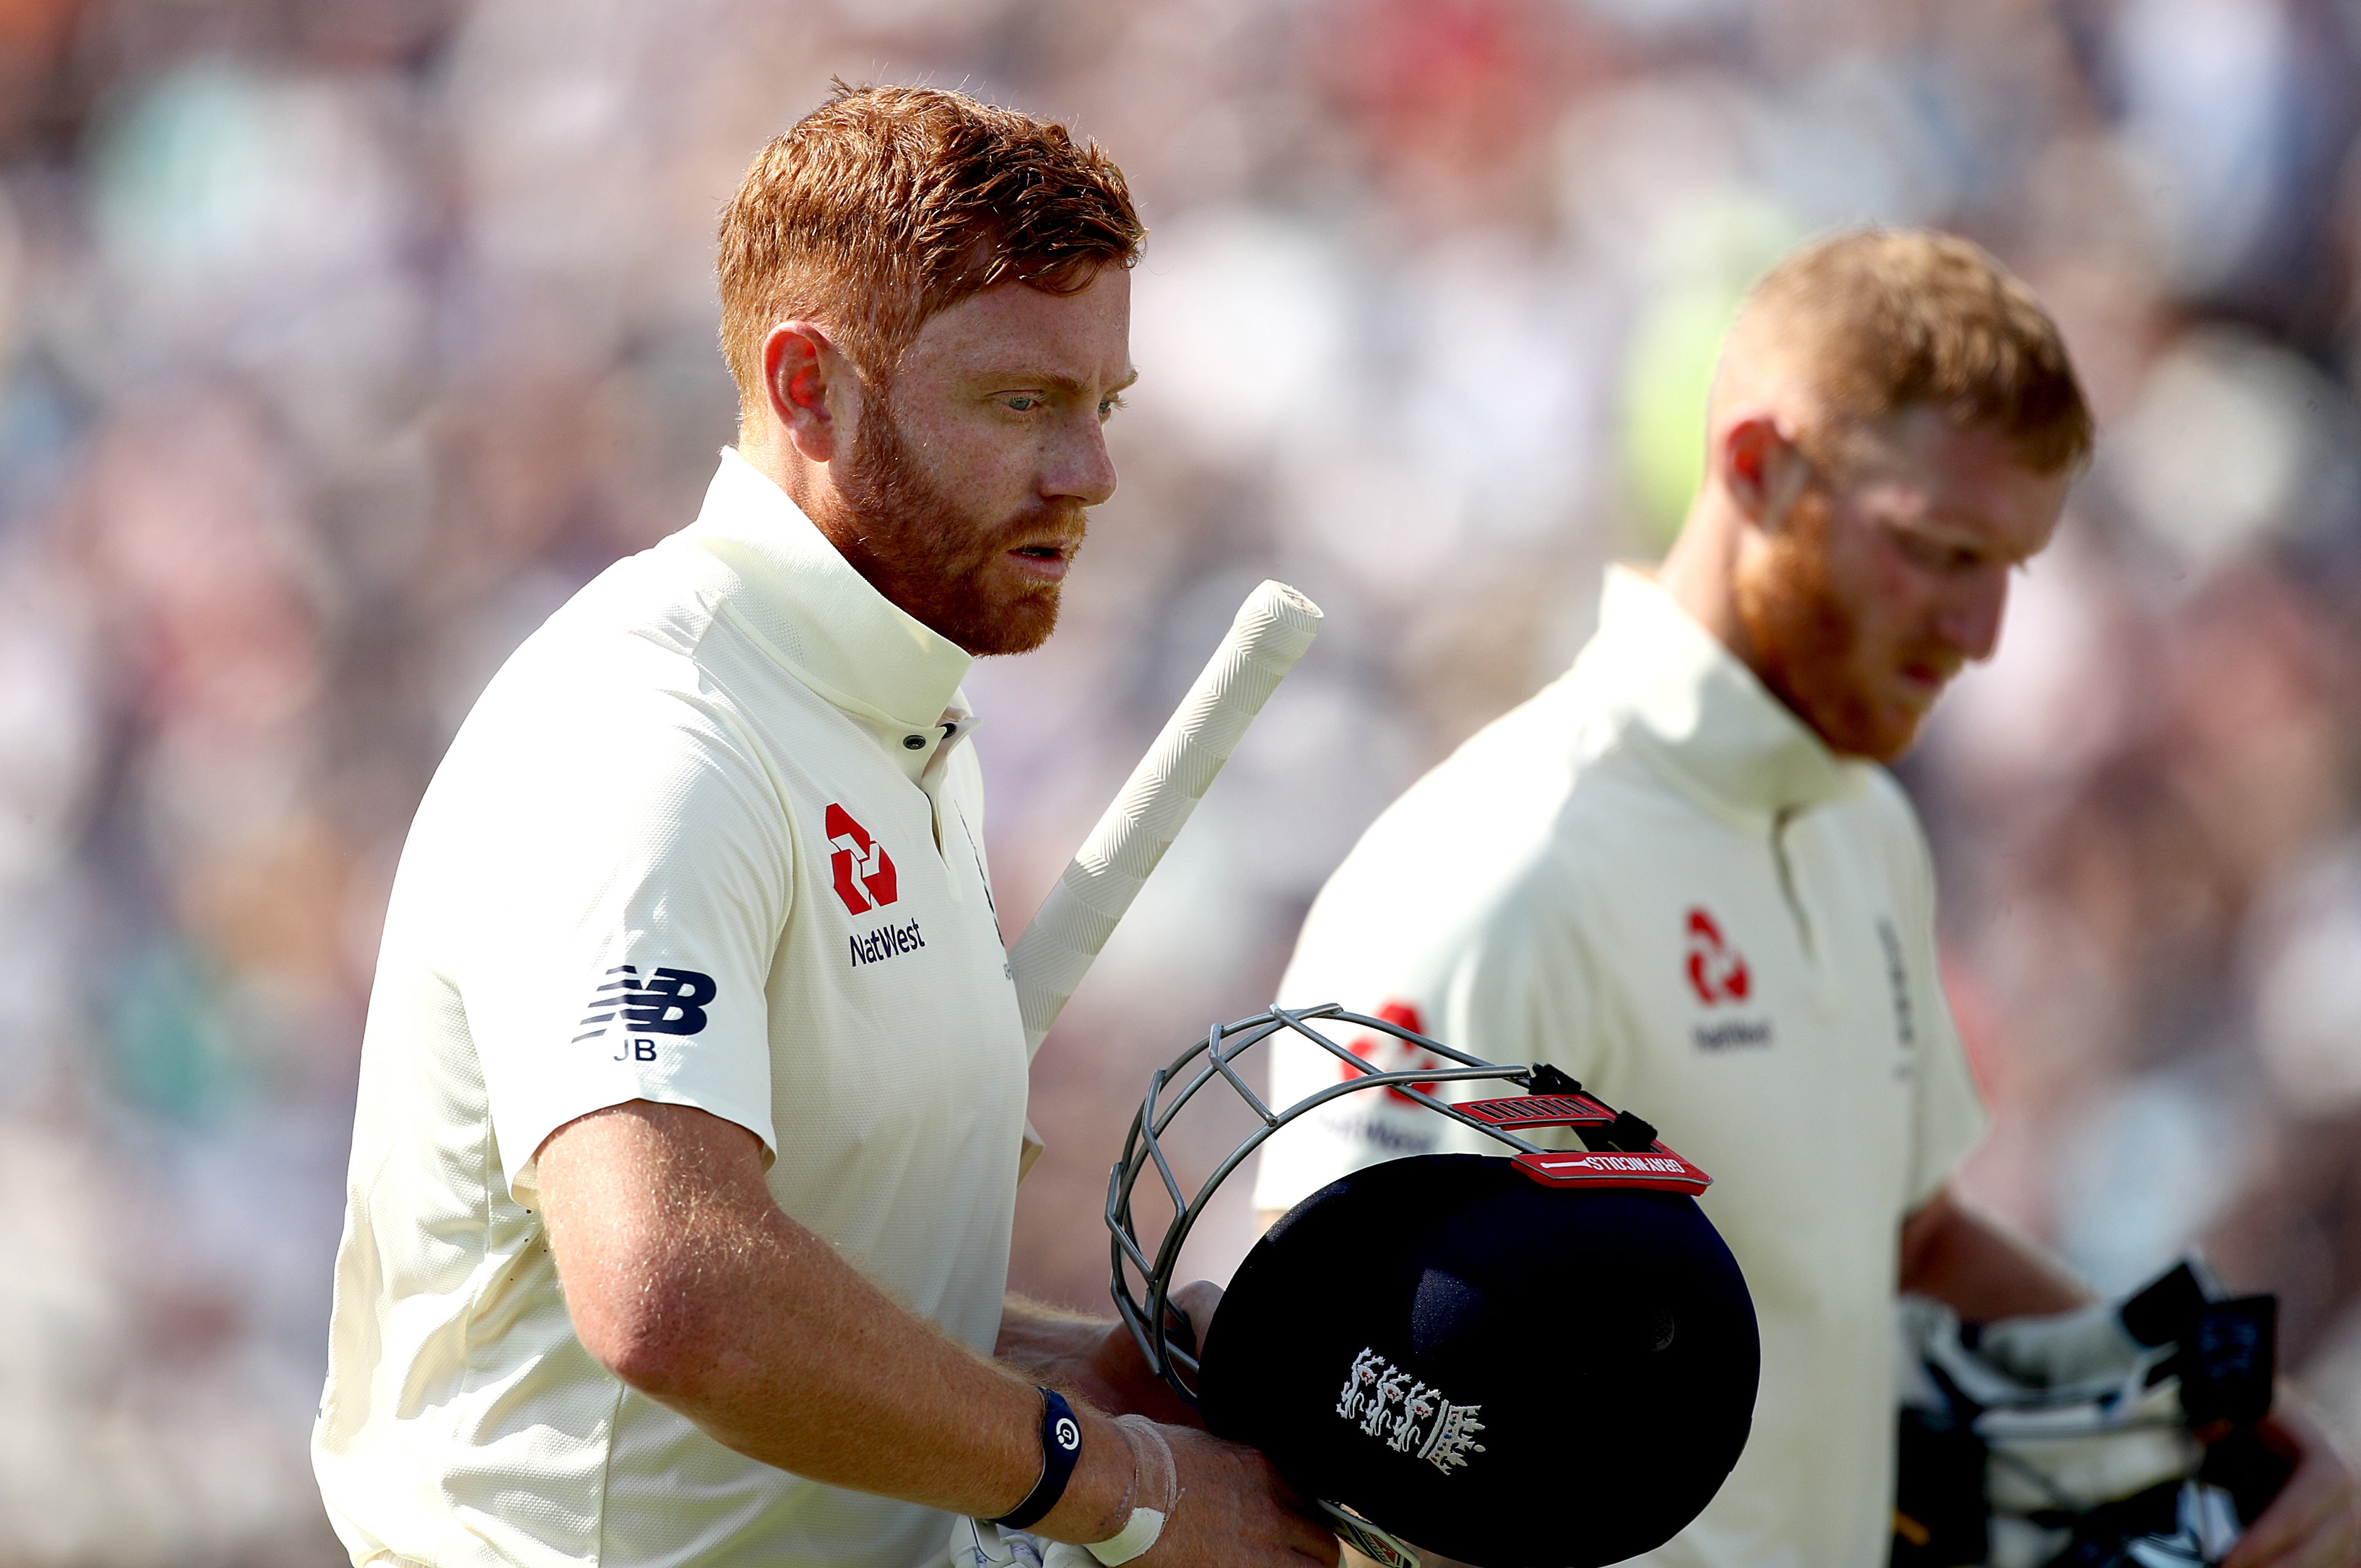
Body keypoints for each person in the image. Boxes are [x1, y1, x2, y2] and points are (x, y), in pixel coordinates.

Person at [312, 84, 1337, 1568]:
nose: (1090, 473)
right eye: (1019, 402)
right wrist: (1119, 1485)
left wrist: (1088, 1373)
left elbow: (829, 1284)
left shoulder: (889, 698)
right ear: (809, 390)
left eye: (1099, 404)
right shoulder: (655, 743)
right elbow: (673, 1286)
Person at [1251, 230, 2360, 1568]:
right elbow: (1323, 1373)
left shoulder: (1861, 824)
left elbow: (1904, 1242)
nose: (1982, 632)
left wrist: (2210, 1404)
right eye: (1937, 550)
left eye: (2007, 565)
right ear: (1759, 470)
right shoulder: (1502, 864)